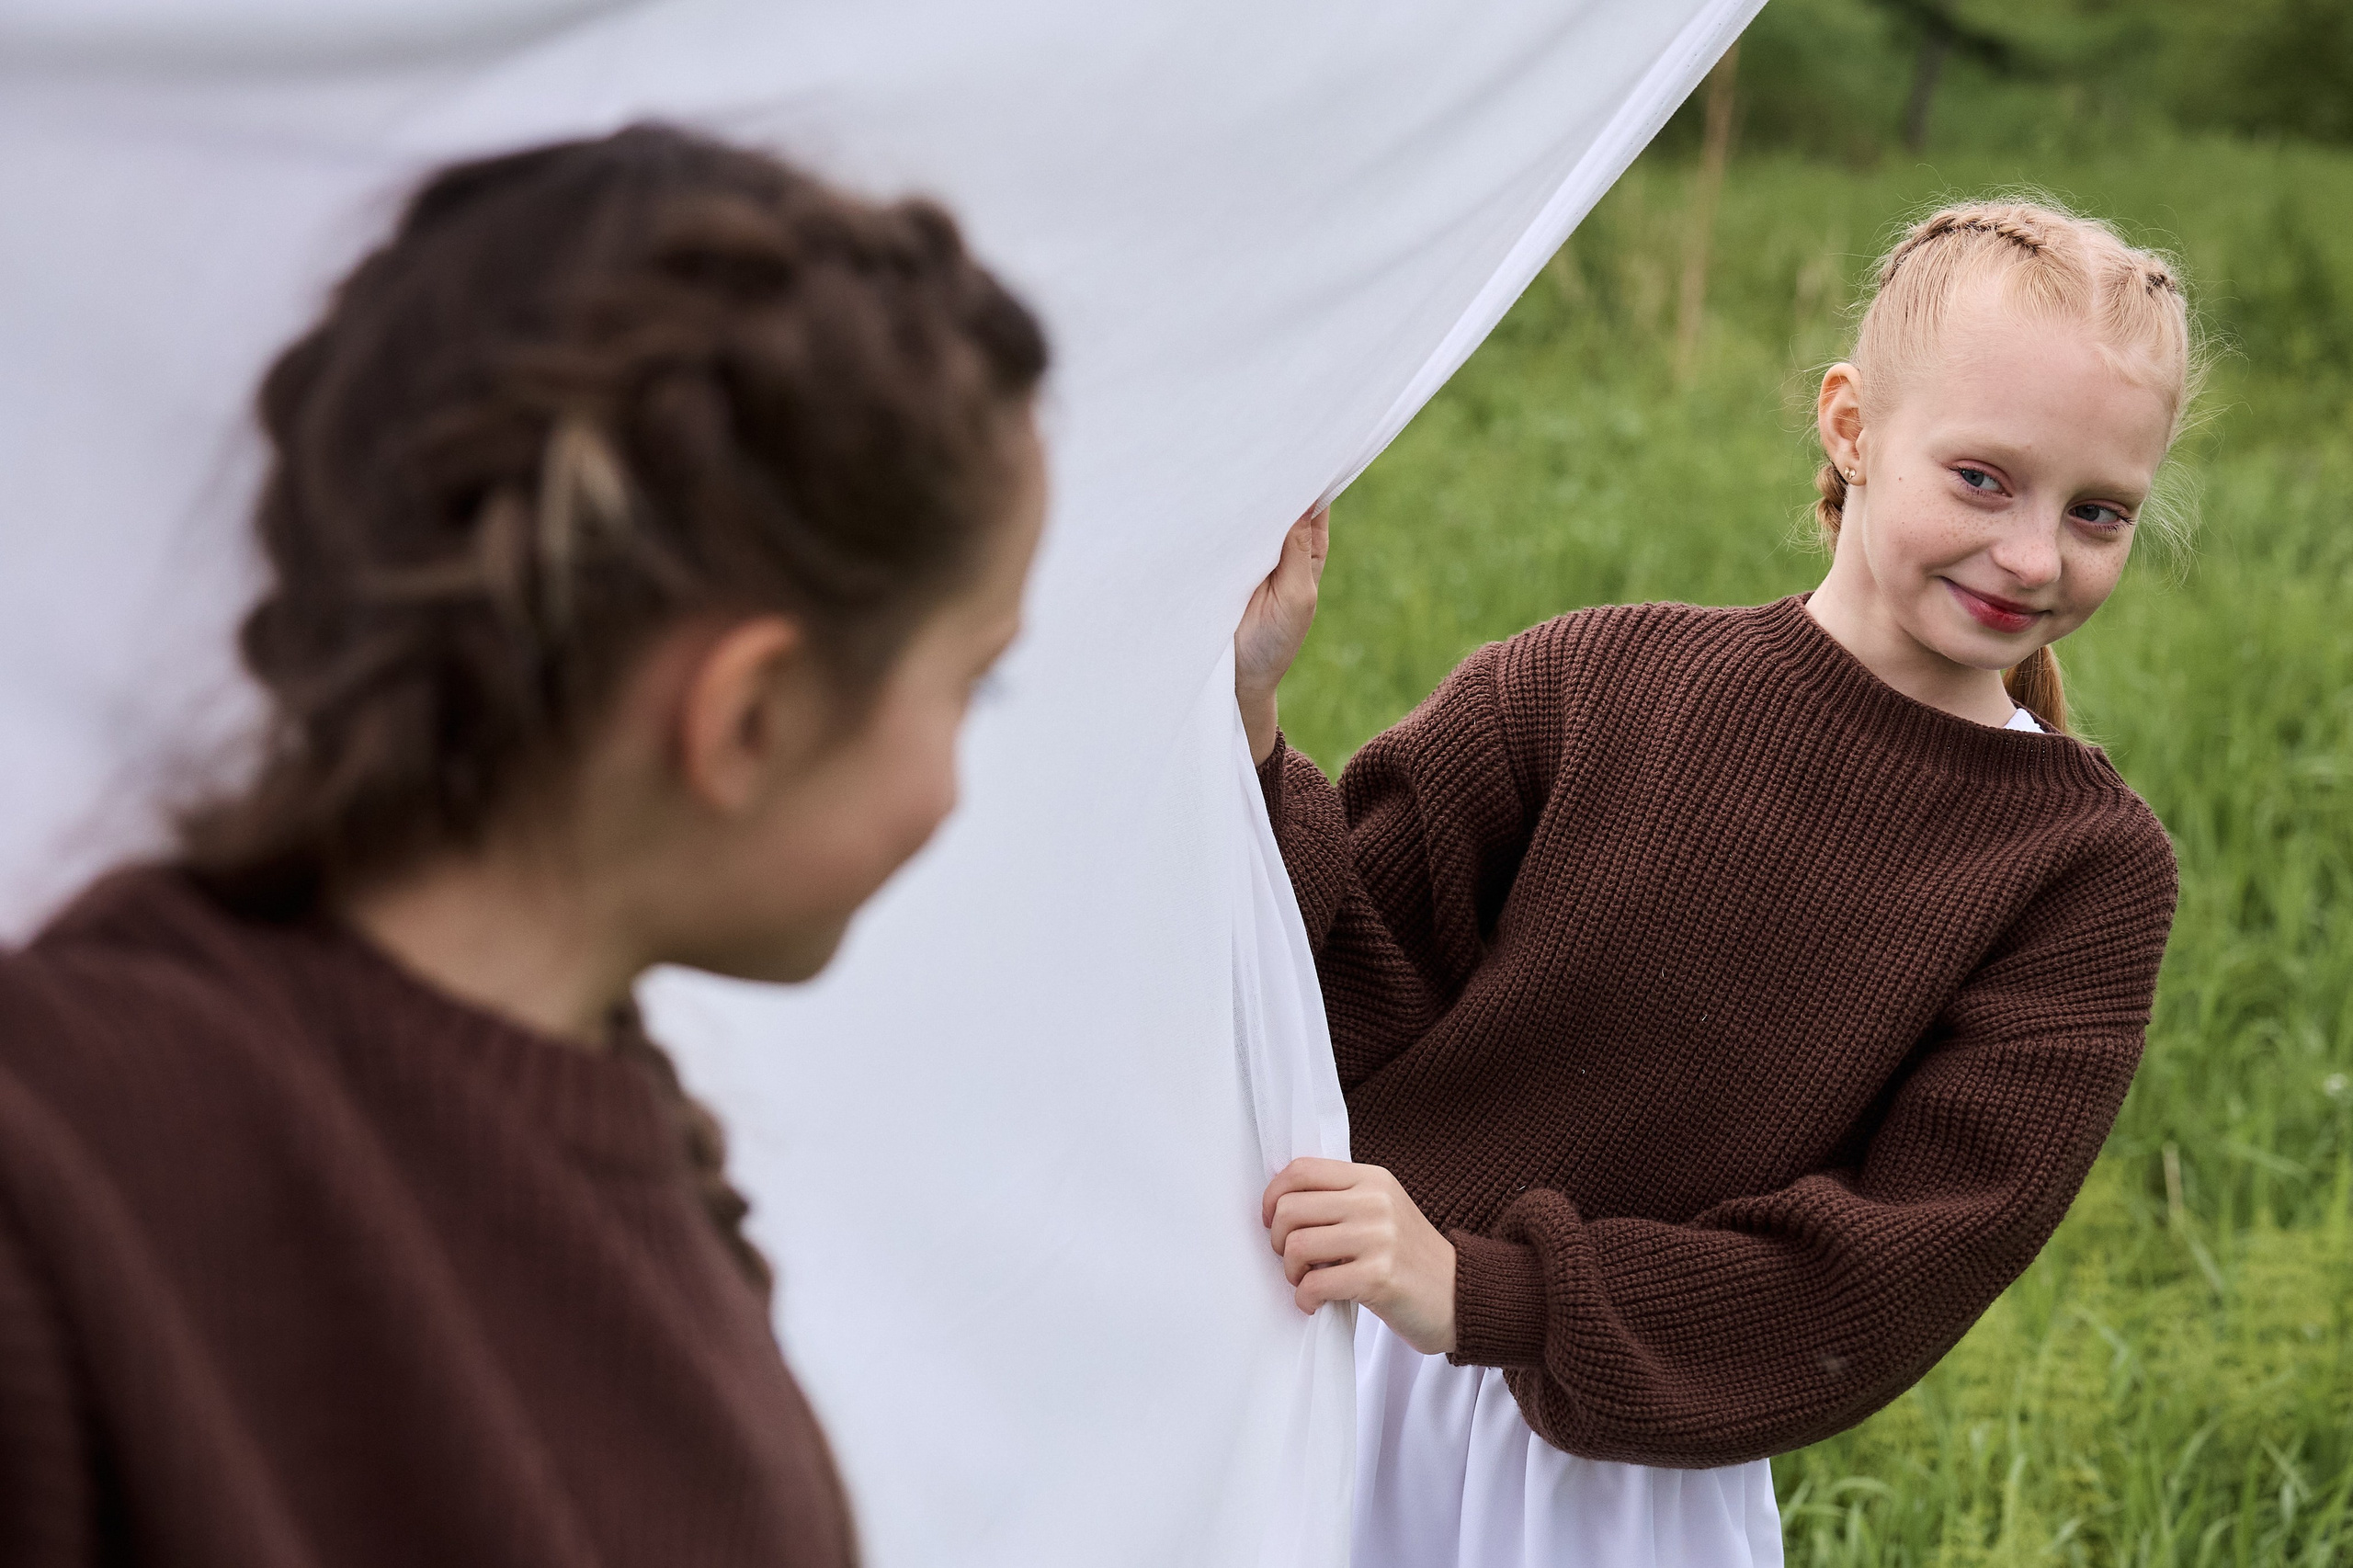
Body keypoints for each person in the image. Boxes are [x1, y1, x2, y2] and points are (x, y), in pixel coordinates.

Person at [0, 125, 1047, 1566]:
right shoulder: (57, 1176)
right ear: (749, 715)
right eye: (971, 681)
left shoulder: (620, 1127)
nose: (954, 781)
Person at [1235, 199, 2197, 1565]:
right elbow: (1324, 967)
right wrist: (1249, 718)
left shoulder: (2082, 873)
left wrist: (1488, 1290)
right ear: (1852, 427)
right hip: (1331, 1359)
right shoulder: (1593, 679)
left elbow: (1889, 1269)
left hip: (1612, 1479)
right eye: (1984, 477)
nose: (2037, 555)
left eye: (2097, 511)